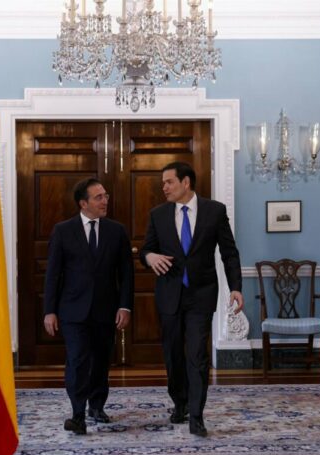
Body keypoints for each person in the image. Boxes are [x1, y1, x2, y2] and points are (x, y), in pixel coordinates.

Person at [140, 162, 243, 437]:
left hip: (201, 296)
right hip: (169, 296)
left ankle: (196, 415)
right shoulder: (158, 214)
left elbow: (229, 253)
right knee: (173, 355)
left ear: (186, 183)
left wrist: (236, 287)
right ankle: (180, 403)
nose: (164, 187)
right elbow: (146, 250)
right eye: (163, 183)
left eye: (169, 182)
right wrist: (149, 257)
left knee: (197, 355)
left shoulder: (215, 211)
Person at [44, 178, 134, 435]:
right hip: (73, 311)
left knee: (101, 361)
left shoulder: (117, 231)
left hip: (106, 310)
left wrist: (125, 306)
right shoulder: (63, 230)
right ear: (83, 203)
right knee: (77, 360)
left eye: (105, 196)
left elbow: (126, 273)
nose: (105, 200)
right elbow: (53, 274)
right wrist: (49, 310)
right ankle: (77, 413)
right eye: (99, 197)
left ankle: (97, 406)